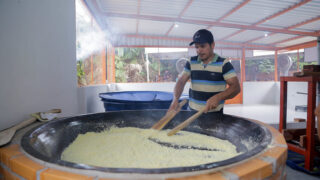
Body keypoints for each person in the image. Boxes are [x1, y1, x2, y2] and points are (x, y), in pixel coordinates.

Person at [168, 29, 241, 114]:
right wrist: (175, 99)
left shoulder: (224, 64)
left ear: (212, 45)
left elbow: (236, 87)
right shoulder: (191, 62)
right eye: (196, 47)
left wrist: (218, 97)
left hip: (214, 115)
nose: (199, 50)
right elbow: (181, 81)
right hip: (191, 112)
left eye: (202, 46)